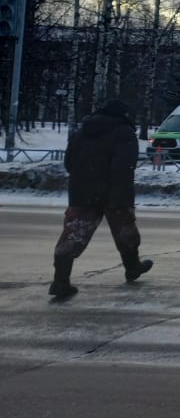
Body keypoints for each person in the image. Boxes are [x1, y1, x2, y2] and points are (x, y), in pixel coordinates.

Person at [49, 98, 153, 298]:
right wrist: (120, 196)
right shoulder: (124, 133)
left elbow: (69, 162)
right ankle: (132, 267)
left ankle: (60, 281)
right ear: (123, 114)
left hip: (81, 192)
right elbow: (124, 168)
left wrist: (84, 179)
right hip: (115, 193)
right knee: (126, 233)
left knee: (73, 235)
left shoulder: (82, 132)